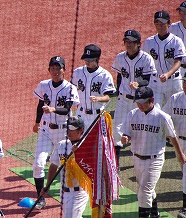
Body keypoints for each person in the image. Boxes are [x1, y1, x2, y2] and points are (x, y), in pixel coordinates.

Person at [121, 86, 186, 218]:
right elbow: (127, 132)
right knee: (145, 188)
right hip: (136, 158)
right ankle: (155, 215)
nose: (139, 105)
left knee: (143, 191)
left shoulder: (162, 117)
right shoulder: (132, 114)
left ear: (152, 100)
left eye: (143, 102)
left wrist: (180, 154)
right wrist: (125, 138)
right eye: (138, 102)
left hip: (154, 159)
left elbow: (172, 137)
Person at [41, 116, 100, 218]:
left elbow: (92, 169)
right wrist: (47, 185)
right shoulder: (61, 145)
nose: (68, 132)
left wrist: (77, 153)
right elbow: (54, 166)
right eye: (67, 129)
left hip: (80, 192)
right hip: (65, 191)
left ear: (81, 131)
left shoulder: (87, 146)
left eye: (72, 130)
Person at [32, 56, 80, 210]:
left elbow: (67, 109)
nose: (55, 71)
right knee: (38, 164)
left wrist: (52, 109)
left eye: (58, 68)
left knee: (67, 166)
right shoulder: (43, 85)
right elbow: (40, 104)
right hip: (46, 130)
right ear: (49, 70)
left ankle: (72, 195)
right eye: (52, 68)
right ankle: (40, 198)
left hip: (64, 132)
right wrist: (36, 122)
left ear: (63, 70)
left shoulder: (70, 88)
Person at [112, 29, 157, 166]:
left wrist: (139, 84)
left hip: (139, 102)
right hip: (123, 99)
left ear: (138, 44)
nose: (129, 44)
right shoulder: (120, 57)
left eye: (132, 42)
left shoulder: (146, 58)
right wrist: (119, 92)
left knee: (140, 129)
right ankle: (116, 165)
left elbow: (147, 79)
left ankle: (143, 158)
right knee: (117, 129)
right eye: (126, 42)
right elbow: (119, 76)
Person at [142, 10, 186, 108]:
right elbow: (143, 61)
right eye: (157, 24)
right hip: (155, 82)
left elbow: (178, 61)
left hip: (173, 82)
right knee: (154, 111)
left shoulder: (176, 41)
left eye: (162, 24)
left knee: (174, 111)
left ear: (169, 24)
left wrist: (167, 74)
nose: (159, 27)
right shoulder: (149, 42)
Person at [72, 44, 116, 130]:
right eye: (86, 59)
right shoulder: (77, 72)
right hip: (81, 114)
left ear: (97, 59)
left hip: (97, 115)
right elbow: (72, 91)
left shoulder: (105, 75)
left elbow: (107, 97)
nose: (87, 62)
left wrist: (98, 99)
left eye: (90, 60)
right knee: (80, 141)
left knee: (98, 142)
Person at [162, 77, 186, 218]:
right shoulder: (175, 98)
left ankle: (185, 207)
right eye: (184, 82)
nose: (185, 85)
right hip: (179, 142)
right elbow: (164, 117)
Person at [169, 2, 186, 79]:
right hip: (178, 69)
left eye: (184, 14)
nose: (181, 16)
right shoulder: (173, 28)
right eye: (180, 13)